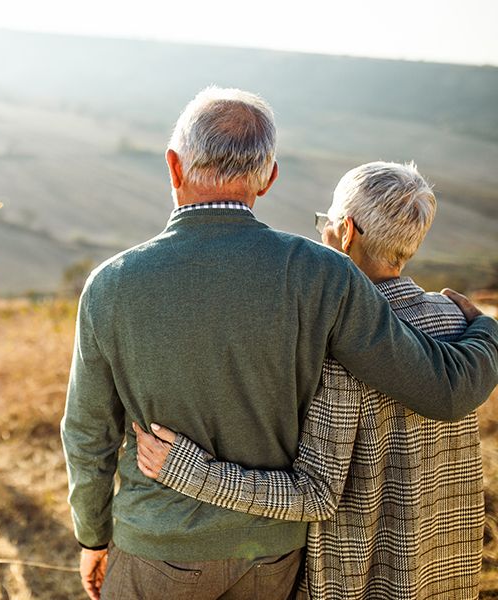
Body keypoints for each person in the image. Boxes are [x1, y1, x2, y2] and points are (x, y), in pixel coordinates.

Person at [60, 87, 498, 600]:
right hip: (273, 555)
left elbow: (89, 433)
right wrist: (484, 328)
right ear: (269, 177)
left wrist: (93, 536)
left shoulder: (112, 283)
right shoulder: (322, 274)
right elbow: (435, 385)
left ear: (173, 167)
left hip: (157, 547)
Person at [135, 161, 487, 599]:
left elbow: (317, 495)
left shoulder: (336, 345)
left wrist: (193, 472)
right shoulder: (456, 320)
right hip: (446, 572)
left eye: (325, 223)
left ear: (345, 231)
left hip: (361, 580)